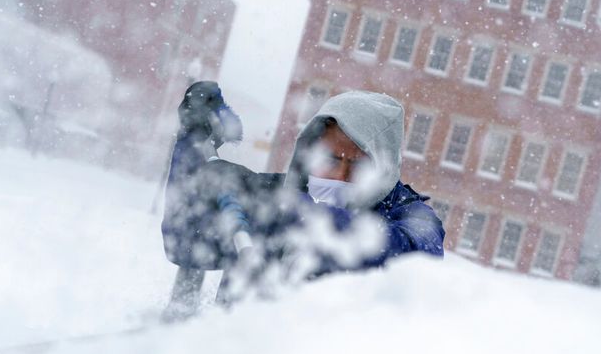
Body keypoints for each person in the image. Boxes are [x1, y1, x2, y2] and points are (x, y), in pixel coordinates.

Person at [161, 82, 444, 313]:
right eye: (331, 160)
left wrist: (294, 211)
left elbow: (412, 258)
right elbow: (188, 241)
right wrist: (191, 143)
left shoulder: (412, 218)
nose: (341, 176)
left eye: (359, 166)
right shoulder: (274, 196)